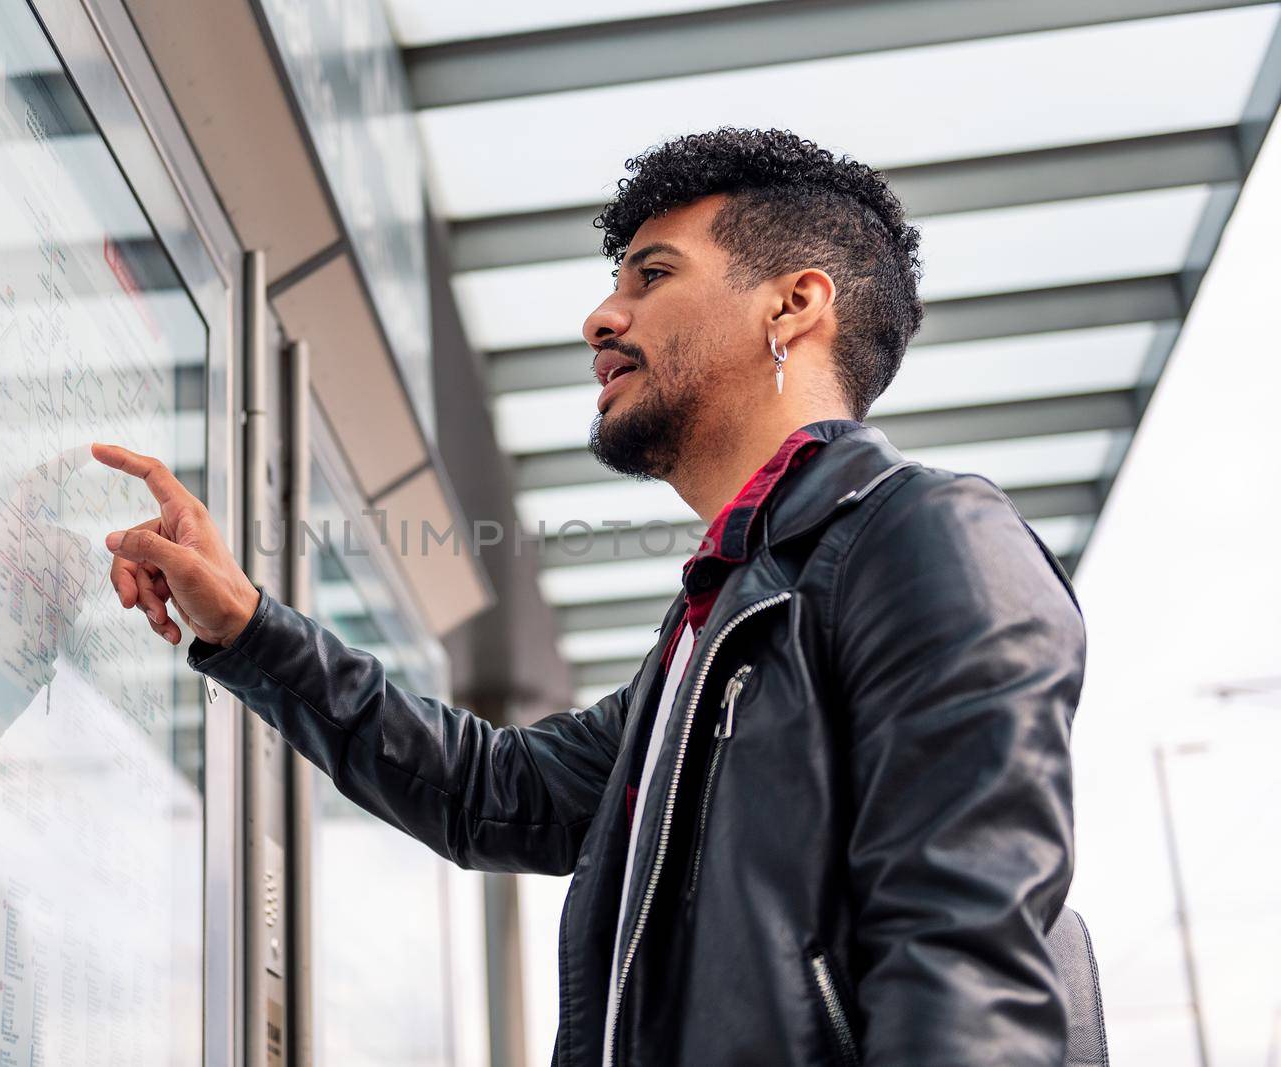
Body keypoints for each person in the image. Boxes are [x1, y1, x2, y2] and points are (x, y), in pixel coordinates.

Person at [92, 127, 1088, 1066]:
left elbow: (968, 967)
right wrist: (247, 627)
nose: (600, 319)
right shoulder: (711, 628)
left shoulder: (923, 537)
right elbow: (494, 791)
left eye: (652, 275)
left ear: (794, 304)